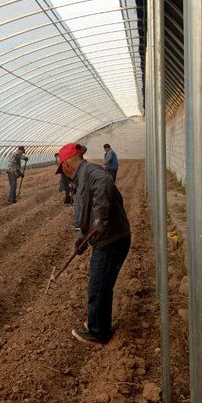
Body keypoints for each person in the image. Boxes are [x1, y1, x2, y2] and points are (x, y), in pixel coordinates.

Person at [56, 142, 130, 345]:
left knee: (98, 285)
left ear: (67, 164)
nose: (63, 173)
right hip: (107, 239)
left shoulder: (91, 172)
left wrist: (100, 216)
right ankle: (98, 322)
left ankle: (99, 332)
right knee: (100, 284)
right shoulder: (83, 177)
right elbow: (87, 214)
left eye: (62, 168)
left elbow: (104, 181)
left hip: (111, 240)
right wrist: (82, 237)